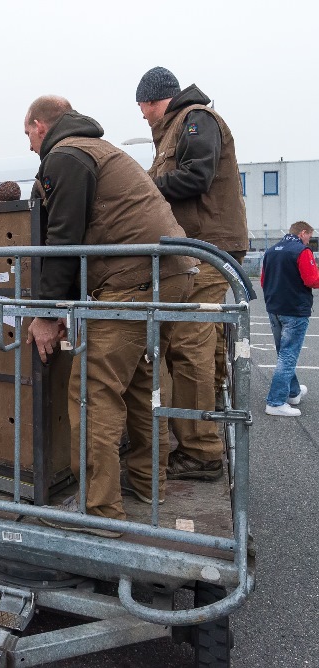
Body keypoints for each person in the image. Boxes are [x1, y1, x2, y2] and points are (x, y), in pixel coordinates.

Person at [22, 96, 197, 536]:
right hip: (167, 272)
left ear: (40, 125)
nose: (28, 145)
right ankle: (147, 484)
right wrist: (67, 305)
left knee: (92, 390)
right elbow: (93, 234)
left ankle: (99, 513)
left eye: (27, 134)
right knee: (139, 382)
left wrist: (44, 313)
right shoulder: (99, 149)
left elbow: (65, 238)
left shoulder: (66, 156)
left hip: (134, 278)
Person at [136, 66, 250, 481]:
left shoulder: (195, 119)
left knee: (188, 344)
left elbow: (197, 176)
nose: (143, 117)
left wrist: (142, 190)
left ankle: (201, 452)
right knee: (200, 340)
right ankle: (204, 434)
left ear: (151, 100)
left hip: (207, 249)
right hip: (199, 249)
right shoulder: (181, 125)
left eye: (142, 108)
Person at [261, 221, 319, 417]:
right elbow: (312, 280)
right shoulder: (302, 251)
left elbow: (263, 280)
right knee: (288, 355)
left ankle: (293, 392)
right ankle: (275, 402)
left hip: (274, 307)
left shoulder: (270, 251)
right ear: (303, 233)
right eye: (309, 236)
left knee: (284, 353)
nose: (309, 241)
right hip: (294, 309)